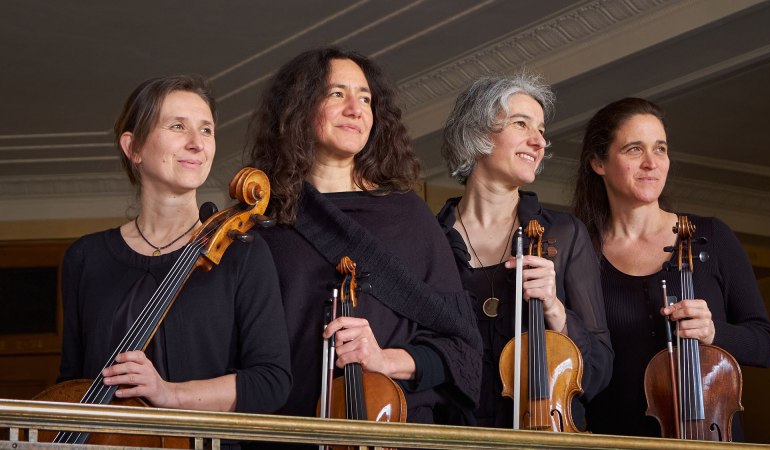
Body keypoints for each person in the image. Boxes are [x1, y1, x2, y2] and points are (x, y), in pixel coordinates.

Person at [247, 47, 482, 430]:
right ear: (299, 108)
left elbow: (462, 350)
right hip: (289, 432)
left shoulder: (409, 216)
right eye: (336, 94)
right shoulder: (264, 221)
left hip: (394, 428)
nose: (355, 109)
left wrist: (384, 360)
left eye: (365, 99)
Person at [58, 75, 292, 434]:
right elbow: (71, 383)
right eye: (178, 126)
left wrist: (169, 394)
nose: (197, 143)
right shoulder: (86, 258)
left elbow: (271, 381)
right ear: (134, 147)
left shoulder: (242, 253)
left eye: (206, 130)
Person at [573, 97, 770, 438]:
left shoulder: (711, 237)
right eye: (634, 149)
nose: (651, 163)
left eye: (660, 149)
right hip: (618, 440)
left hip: (709, 436)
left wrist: (713, 333)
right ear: (598, 162)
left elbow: (767, 344)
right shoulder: (580, 252)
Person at [436, 74, 614, 429]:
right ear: (478, 133)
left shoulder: (564, 234)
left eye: (541, 130)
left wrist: (554, 308)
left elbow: (600, 369)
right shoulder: (431, 241)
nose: (539, 141)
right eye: (521, 124)